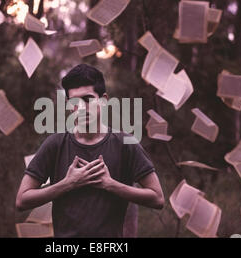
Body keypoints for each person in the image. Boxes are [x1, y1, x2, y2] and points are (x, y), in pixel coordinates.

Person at [16, 64, 164, 237]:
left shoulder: (126, 144)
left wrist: (110, 185)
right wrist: (68, 183)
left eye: (87, 99)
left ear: (103, 100)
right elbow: (22, 200)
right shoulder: (55, 144)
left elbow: (158, 198)